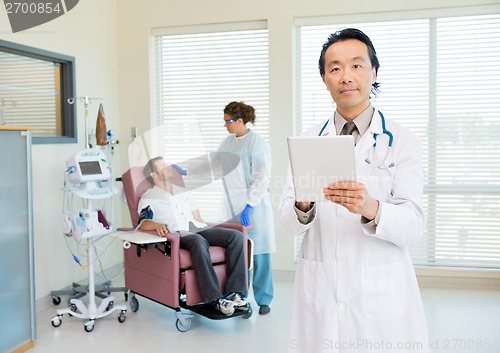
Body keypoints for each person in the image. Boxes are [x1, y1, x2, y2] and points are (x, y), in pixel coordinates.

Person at [279, 28, 429, 352]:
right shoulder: (306, 141)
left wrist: (371, 208)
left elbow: (414, 225)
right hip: (322, 289)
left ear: (373, 72)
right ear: (324, 78)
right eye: (335, 68)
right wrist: (304, 202)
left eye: (356, 65)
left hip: (381, 294)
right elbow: (287, 223)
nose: (345, 76)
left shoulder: (402, 141)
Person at [137, 156, 249, 316]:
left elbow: (198, 217)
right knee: (198, 241)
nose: (168, 167)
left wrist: (214, 230)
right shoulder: (150, 196)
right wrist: (156, 225)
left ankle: (234, 293)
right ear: (154, 175)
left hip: (195, 227)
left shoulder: (182, 191)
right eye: (162, 167)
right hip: (176, 232)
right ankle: (214, 299)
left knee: (235, 236)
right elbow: (143, 222)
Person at [218, 101, 276, 315]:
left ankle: (264, 300)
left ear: (240, 120)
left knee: (259, 254)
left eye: (228, 121)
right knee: (237, 254)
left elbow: (262, 177)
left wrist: (250, 205)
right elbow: (214, 165)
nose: (225, 125)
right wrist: (186, 171)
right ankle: (239, 297)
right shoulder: (226, 143)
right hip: (232, 205)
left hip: (255, 207)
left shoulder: (256, 142)